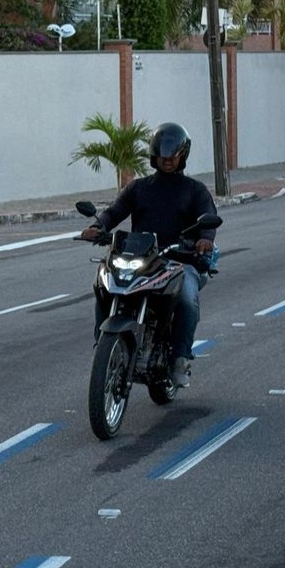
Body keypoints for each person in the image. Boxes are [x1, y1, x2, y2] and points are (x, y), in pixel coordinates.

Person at [81, 122, 218, 388]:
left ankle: (180, 359)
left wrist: (204, 240)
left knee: (188, 300)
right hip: (143, 260)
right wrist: (99, 227)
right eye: (163, 154)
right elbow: (114, 211)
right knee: (104, 283)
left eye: (173, 154)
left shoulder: (195, 190)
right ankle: (103, 345)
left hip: (179, 261)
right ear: (154, 155)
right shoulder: (138, 188)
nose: (167, 159)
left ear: (182, 156)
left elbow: (207, 222)